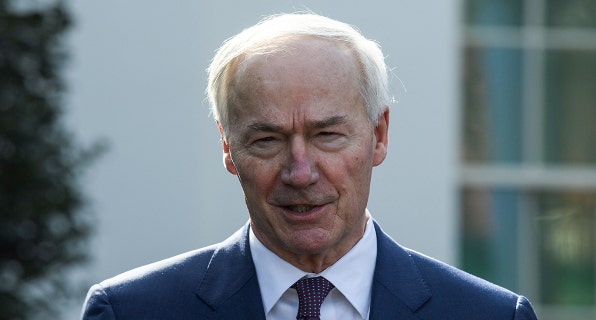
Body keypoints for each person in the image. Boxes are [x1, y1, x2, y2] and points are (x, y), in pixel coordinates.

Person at [81, 13, 538, 320]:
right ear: (228, 147)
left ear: (378, 135)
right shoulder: (133, 311)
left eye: (326, 135)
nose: (300, 172)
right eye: (267, 139)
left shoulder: (489, 315)